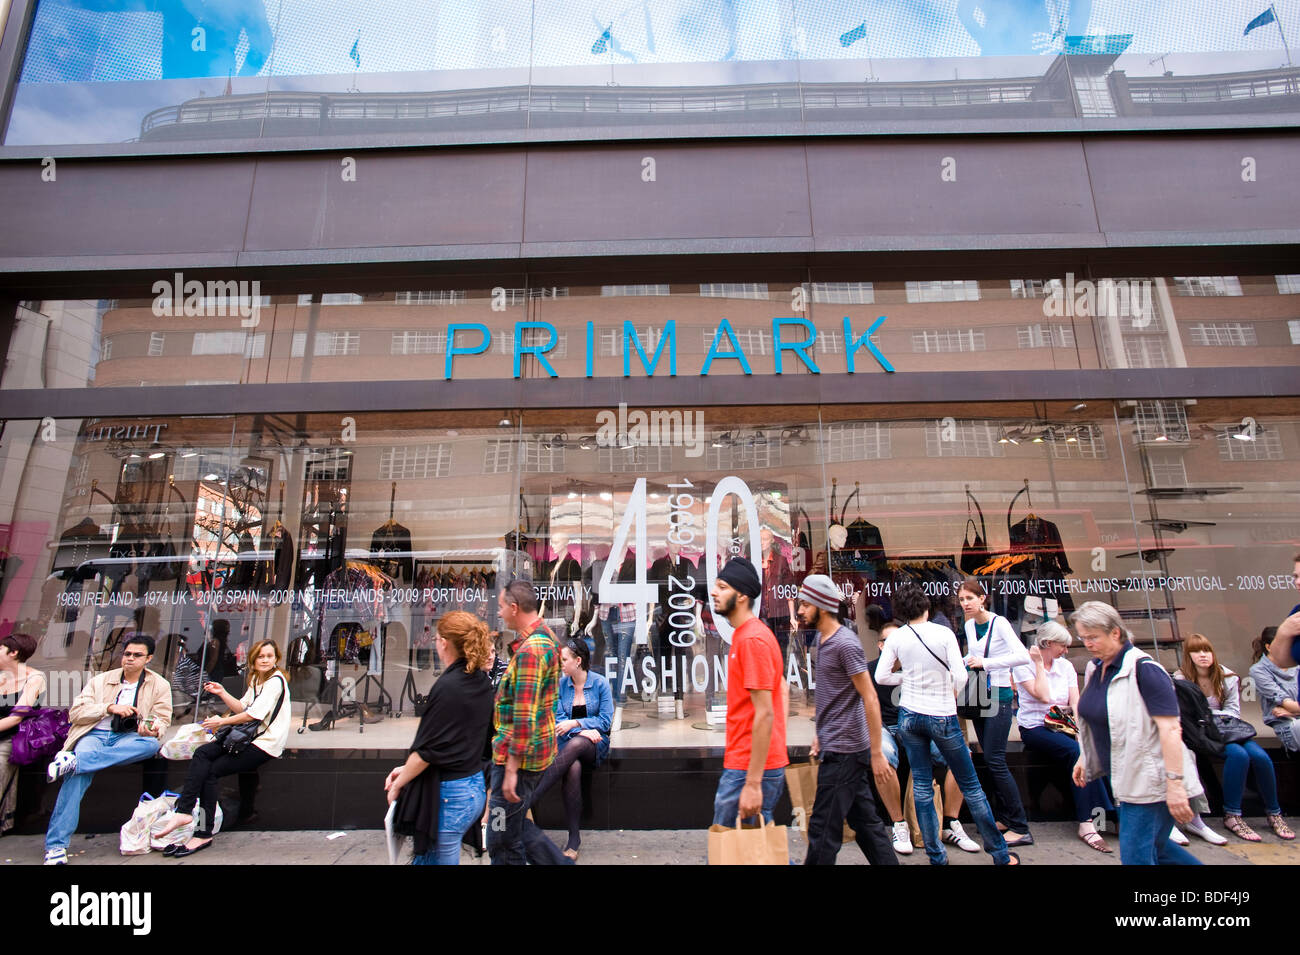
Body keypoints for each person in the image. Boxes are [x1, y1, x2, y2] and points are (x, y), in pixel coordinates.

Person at [875, 582, 1017, 865]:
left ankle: (936, 856)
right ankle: (1000, 855)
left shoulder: (896, 638)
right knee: (972, 785)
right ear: (926, 607)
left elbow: (882, 677)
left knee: (923, 788)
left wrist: (908, 679)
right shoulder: (943, 633)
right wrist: (943, 685)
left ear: (901, 612)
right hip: (942, 714)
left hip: (910, 716)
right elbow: (961, 677)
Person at [1069, 601, 1200, 865]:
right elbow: (1098, 718)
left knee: (1136, 858)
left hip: (1149, 783)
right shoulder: (1097, 667)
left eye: (1093, 637)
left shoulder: (1145, 669)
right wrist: (1085, 756)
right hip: (1126, 776)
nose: (1087, 644)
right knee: (1160, 850)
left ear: (1115, 633)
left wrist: (1174, 785)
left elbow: (1171, 729)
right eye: (1083, 638)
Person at [44, 634, 172, 865]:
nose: (130, 659)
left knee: (150, 745)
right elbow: (76, 713)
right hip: (94, 734)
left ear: (149, 658)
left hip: (130, 738)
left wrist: (151, 727)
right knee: (74, 778)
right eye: (127, 654)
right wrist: (109, 707)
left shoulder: (159, 684)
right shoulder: (101, 680)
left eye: (137, 655)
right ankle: (56, 847)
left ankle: (76, 761)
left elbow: (162, 720)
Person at [155, 639, 290, 857]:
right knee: (202, 753)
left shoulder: (275, 681)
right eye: (260, 656)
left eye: (269, 656)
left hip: (264, 744)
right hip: (247, 738)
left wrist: (220, 722)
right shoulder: (257, 679)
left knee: (210, 772)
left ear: (276, 659)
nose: (265, 660)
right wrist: (222, 692)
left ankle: (202, 831)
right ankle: (185, 812)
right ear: (253, 660)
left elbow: (252, 715)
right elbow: (243, 706)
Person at [797, 575, 898, 865]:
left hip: (846, 752)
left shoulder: (845, 643)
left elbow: (869, 697)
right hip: (837, 744)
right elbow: (835, 697)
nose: (800, 610)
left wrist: (877, 753)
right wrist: (821, 734)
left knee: (822, 829)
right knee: (867, 826)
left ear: (822, 606)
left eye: (805, 604)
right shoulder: (821, 640)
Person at [383, 611, 495, 864]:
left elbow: (428, 751)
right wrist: (406, 769)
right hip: (472, 786)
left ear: (444, 643)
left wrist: (400, 783)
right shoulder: (480, 682)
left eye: (436, 639)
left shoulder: (448, 687)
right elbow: (458, 740)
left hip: (450, 793)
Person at [1175, 633, 1292, 842]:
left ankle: (1274, 813)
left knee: (1261, 757)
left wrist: (1210, 716)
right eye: (1196, 651)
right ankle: (1232, 815)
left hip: (1229, 729)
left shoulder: (1227, 676)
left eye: (1207, 650)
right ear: (1188, 655)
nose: (1203, 655)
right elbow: (1187, 716)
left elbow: (1233, 712)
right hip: (1202, 735)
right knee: (1238, 756)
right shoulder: (1181, 679)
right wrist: (1209, 719)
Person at [1011, 622, 1113, 852]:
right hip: (1035, 726)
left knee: (1090, 749)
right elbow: (1044, 695)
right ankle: (1088, 823)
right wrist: (1038, 664)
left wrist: (1081, 730)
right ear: (1047, 643)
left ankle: (1107, 814)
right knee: (1076, 753)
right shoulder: (1025, 665)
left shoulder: (1065, 667)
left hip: (1063, 724)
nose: (1066, 651)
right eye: (1062, 645)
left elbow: (1075, 701)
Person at [488, 580, 569, 865]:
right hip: (533, 754)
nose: (499, 613)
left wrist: (511, 768)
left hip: (518, 762)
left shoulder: (531, 651)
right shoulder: (543, 637)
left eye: (500, 607)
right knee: (516, 824)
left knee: (500, 836)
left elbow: (525, 714)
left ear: (513, 608)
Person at [710, 556, 788, 827]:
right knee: (757, 851)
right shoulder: (747, 636)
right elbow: (783, 690)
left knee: (732, 849)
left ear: (741, 595)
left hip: (749, 767)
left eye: (722, 587)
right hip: (753, 762)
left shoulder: (752, 640)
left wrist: (753, 783)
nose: (714, 592)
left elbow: (765, 713)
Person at [957, 578, 1033, 847]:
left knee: (995, 759)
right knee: (989, 760)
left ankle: (1021, 826)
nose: (965, 603)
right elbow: (973, 657)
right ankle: (1005, 817)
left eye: (970, 598)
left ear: (982, 598)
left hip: (999, 696)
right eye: (962, 599)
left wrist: (986, 662)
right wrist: (965, 662)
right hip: (979, 695)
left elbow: (1022, 656)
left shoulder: (999, 623)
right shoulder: (968, 625)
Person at [530, 637, 614, 861]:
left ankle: (532, 797)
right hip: (569, 743)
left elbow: (605, 722)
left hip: (595, 745)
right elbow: (558, 722)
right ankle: (574, 838)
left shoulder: (600, 684)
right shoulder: (560, 686)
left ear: (578, 661)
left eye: (564, 659)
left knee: (577, 745)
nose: (561, 663)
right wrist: (583, 729)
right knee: (573, 767)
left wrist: (578, 724)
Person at [1, 632, 46, 836]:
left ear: (14, 653)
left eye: (0, 649)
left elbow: (17, 716)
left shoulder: (34, 677)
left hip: (13, 738)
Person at [1251, 626, 1300, 755]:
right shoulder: (1259, 671)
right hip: (1289, 727)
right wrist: (1293, 711)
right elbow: (1288, 704)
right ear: (1268, 647)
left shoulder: (1297, 665)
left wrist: (1292, 711)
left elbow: (1293, 708)